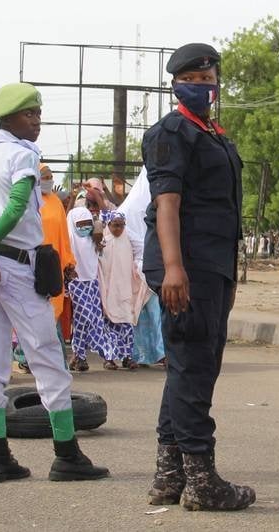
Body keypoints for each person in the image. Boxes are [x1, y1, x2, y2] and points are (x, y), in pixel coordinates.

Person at [0, 82, 109, 483]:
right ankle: (67, 455)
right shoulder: (21, 156)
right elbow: (17, 209)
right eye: (30, 114)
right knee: (47, 359)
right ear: (9, 119)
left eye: (37, 113)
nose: (37, 121)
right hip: (17, 267)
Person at [143, 43, 254, 512]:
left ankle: (170, 475)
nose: (204, 87)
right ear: (176, 84)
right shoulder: (171, 133)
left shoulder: (213, 134)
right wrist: (174, 268)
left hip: (212, 264)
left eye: (209, 81)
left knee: (191, 365)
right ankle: (202, 479)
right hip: (186, 265)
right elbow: (168, 202)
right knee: (194, 366)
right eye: (195, 80)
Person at [117, 168, 166, 367]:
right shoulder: (131, 210)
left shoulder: (156, 204)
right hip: (139, 269)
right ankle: (143, 354)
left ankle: (161, 353)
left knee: (154, 314)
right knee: (143, 315)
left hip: (153, 267)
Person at [64, 206, 116, 372]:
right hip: (76, 283)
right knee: (88, 318)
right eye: (80, 224)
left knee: (83, 321)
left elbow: (107, 214)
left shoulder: (94, 239)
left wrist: (97, 227)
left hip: (92, 283)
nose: (84, 227)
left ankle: (79, 357)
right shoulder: (68, 239)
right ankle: (107, 354)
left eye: (87, 223)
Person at [38, 163, 77, 340]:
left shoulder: (55, 202)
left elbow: (63, 235)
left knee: (53, 308)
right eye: (44, 177)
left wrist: (68, 261)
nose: (49, 180)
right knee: (36, 311)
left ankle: (54, 361)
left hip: (54, 263)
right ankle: (23, 357)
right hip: (34, 262)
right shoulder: (29, 201)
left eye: (50, 177)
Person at [98, 211, 142, 370]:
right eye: (115, 225)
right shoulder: (102, 241)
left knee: (126, 324)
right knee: (109, 325)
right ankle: (109, 358)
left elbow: (141, 248)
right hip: (109, 288)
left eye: (122, 225)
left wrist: (137, 266)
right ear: (108, 225)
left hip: (124, 288)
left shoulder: (127, 240)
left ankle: (127, 357)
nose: (119, 229)